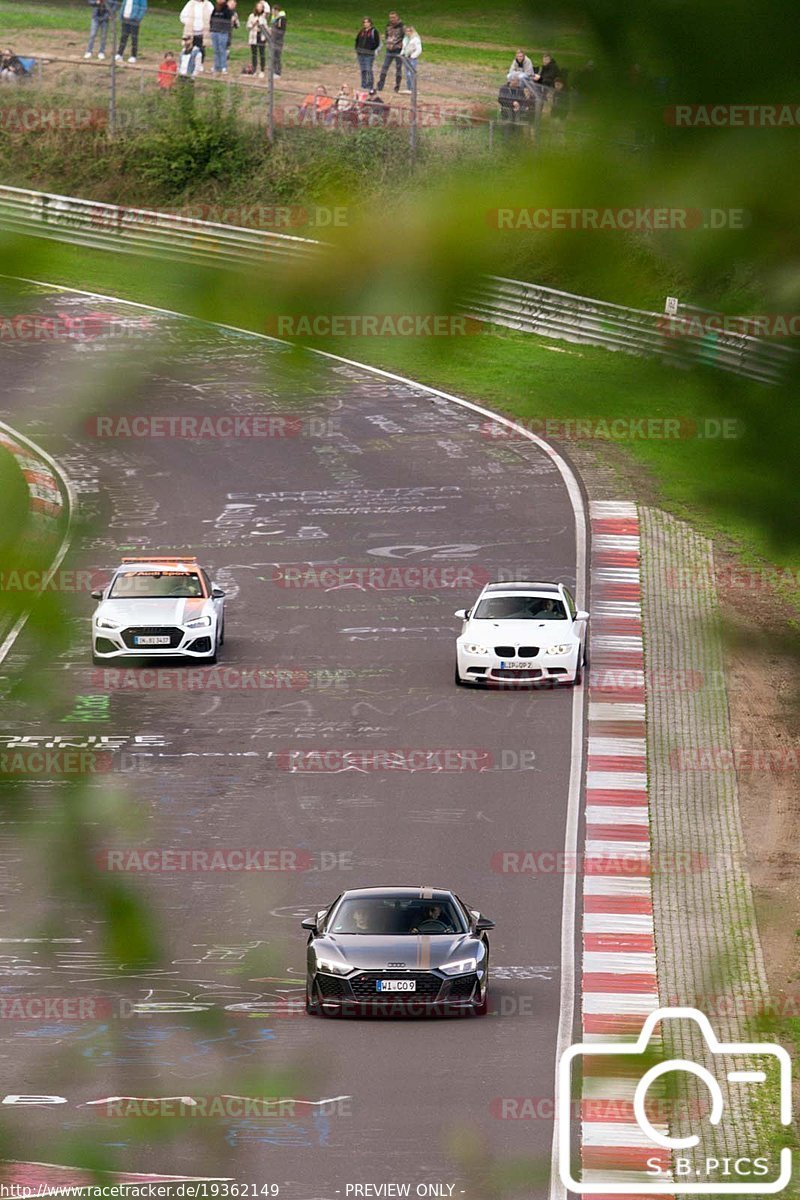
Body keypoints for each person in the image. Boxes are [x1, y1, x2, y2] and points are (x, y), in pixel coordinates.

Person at [377, 10, 403, 92]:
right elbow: (387, 35)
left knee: (398, 68)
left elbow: (404, 38)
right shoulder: (388, 26)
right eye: (391, 18)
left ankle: (397, 86)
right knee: (384, 67)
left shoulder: (402, 27)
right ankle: (380, 85)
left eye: (394, 17)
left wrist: (401, 45)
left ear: (397, 17)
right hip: (389, 50)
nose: (392, 19)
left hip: (398, 50)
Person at [354, 17, 379, 91]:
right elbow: (357, 40)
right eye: (364, 22)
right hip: (360, 54)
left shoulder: (374, 31)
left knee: (368, 70)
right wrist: (357, 48)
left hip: (369, 54)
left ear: (370, 23)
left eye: (367, 22)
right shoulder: (361, 31)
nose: (365, 24)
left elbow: (376, 42)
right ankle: (363, 84)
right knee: (363, 70)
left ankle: (370, 85)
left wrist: (370, 49)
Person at [209, 0, 232, 73]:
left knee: (222, 49)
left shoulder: (227, 10)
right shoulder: (215, 9)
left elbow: (228, 19)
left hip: (223, 32)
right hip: (214, 31)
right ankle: (216, 66)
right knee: (216, 50)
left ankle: (223, 67)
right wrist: (212, 28)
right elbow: (211, 19)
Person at [247, 0, 269, 76]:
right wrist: (254, 24)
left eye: (261, 7)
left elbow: (265, 27)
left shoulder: (264, 17)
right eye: (258, 7)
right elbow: (248, 26)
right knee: (254, 54)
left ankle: (262, 70)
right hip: (253, 37)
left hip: (261, 37)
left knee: (262, 54)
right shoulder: (251, 16)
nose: (259, 9)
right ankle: (254, 69)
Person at [398, 23, 420, 94]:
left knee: (411, 73)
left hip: (412, 58)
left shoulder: (415, 39)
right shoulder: (405, 39)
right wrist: (402, 54)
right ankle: (408, 87)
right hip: (406, 57)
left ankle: (413, 88)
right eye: (406, 31)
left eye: (409, 31)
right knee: (407, 73)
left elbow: (419, 49)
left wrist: (413, 56)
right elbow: (404, 48)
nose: (407, 33)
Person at [270, 5, 286, 77]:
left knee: (277, 56)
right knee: (273, 55)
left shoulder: (281, 19)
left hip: (278, 40)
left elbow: (281, 30)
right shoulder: (274, 18)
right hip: (273, 39)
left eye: (273, 10)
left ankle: (277, 72)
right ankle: (273, 71)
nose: (272, 12)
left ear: (276, 11)